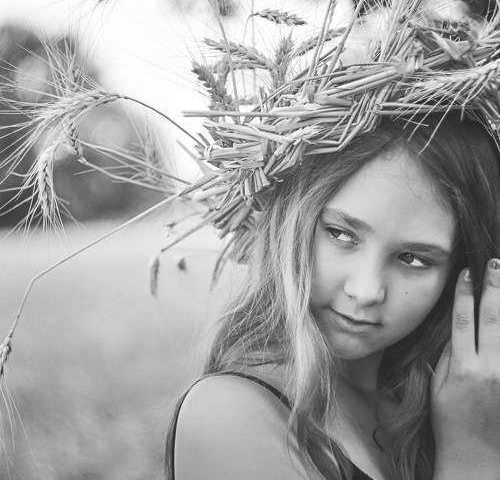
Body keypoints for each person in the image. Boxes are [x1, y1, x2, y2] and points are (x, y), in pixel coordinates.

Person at [164, 112, 500, 480]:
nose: (366, 291)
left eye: (413, 259)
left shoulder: (449, 405)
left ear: (458, 276)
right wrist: (472, 456)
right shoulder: (229, 414)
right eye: (341, 234)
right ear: (293, 219)